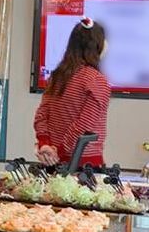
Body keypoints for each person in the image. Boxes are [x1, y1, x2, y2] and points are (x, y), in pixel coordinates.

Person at [34, 17, 110, 167]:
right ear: (97, 46)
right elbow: (84, 125)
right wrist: (59, 152)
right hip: (84, 165)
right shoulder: (96, 80)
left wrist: (44, 144)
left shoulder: (57, 76)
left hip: (52, 162)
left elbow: (41, 115)